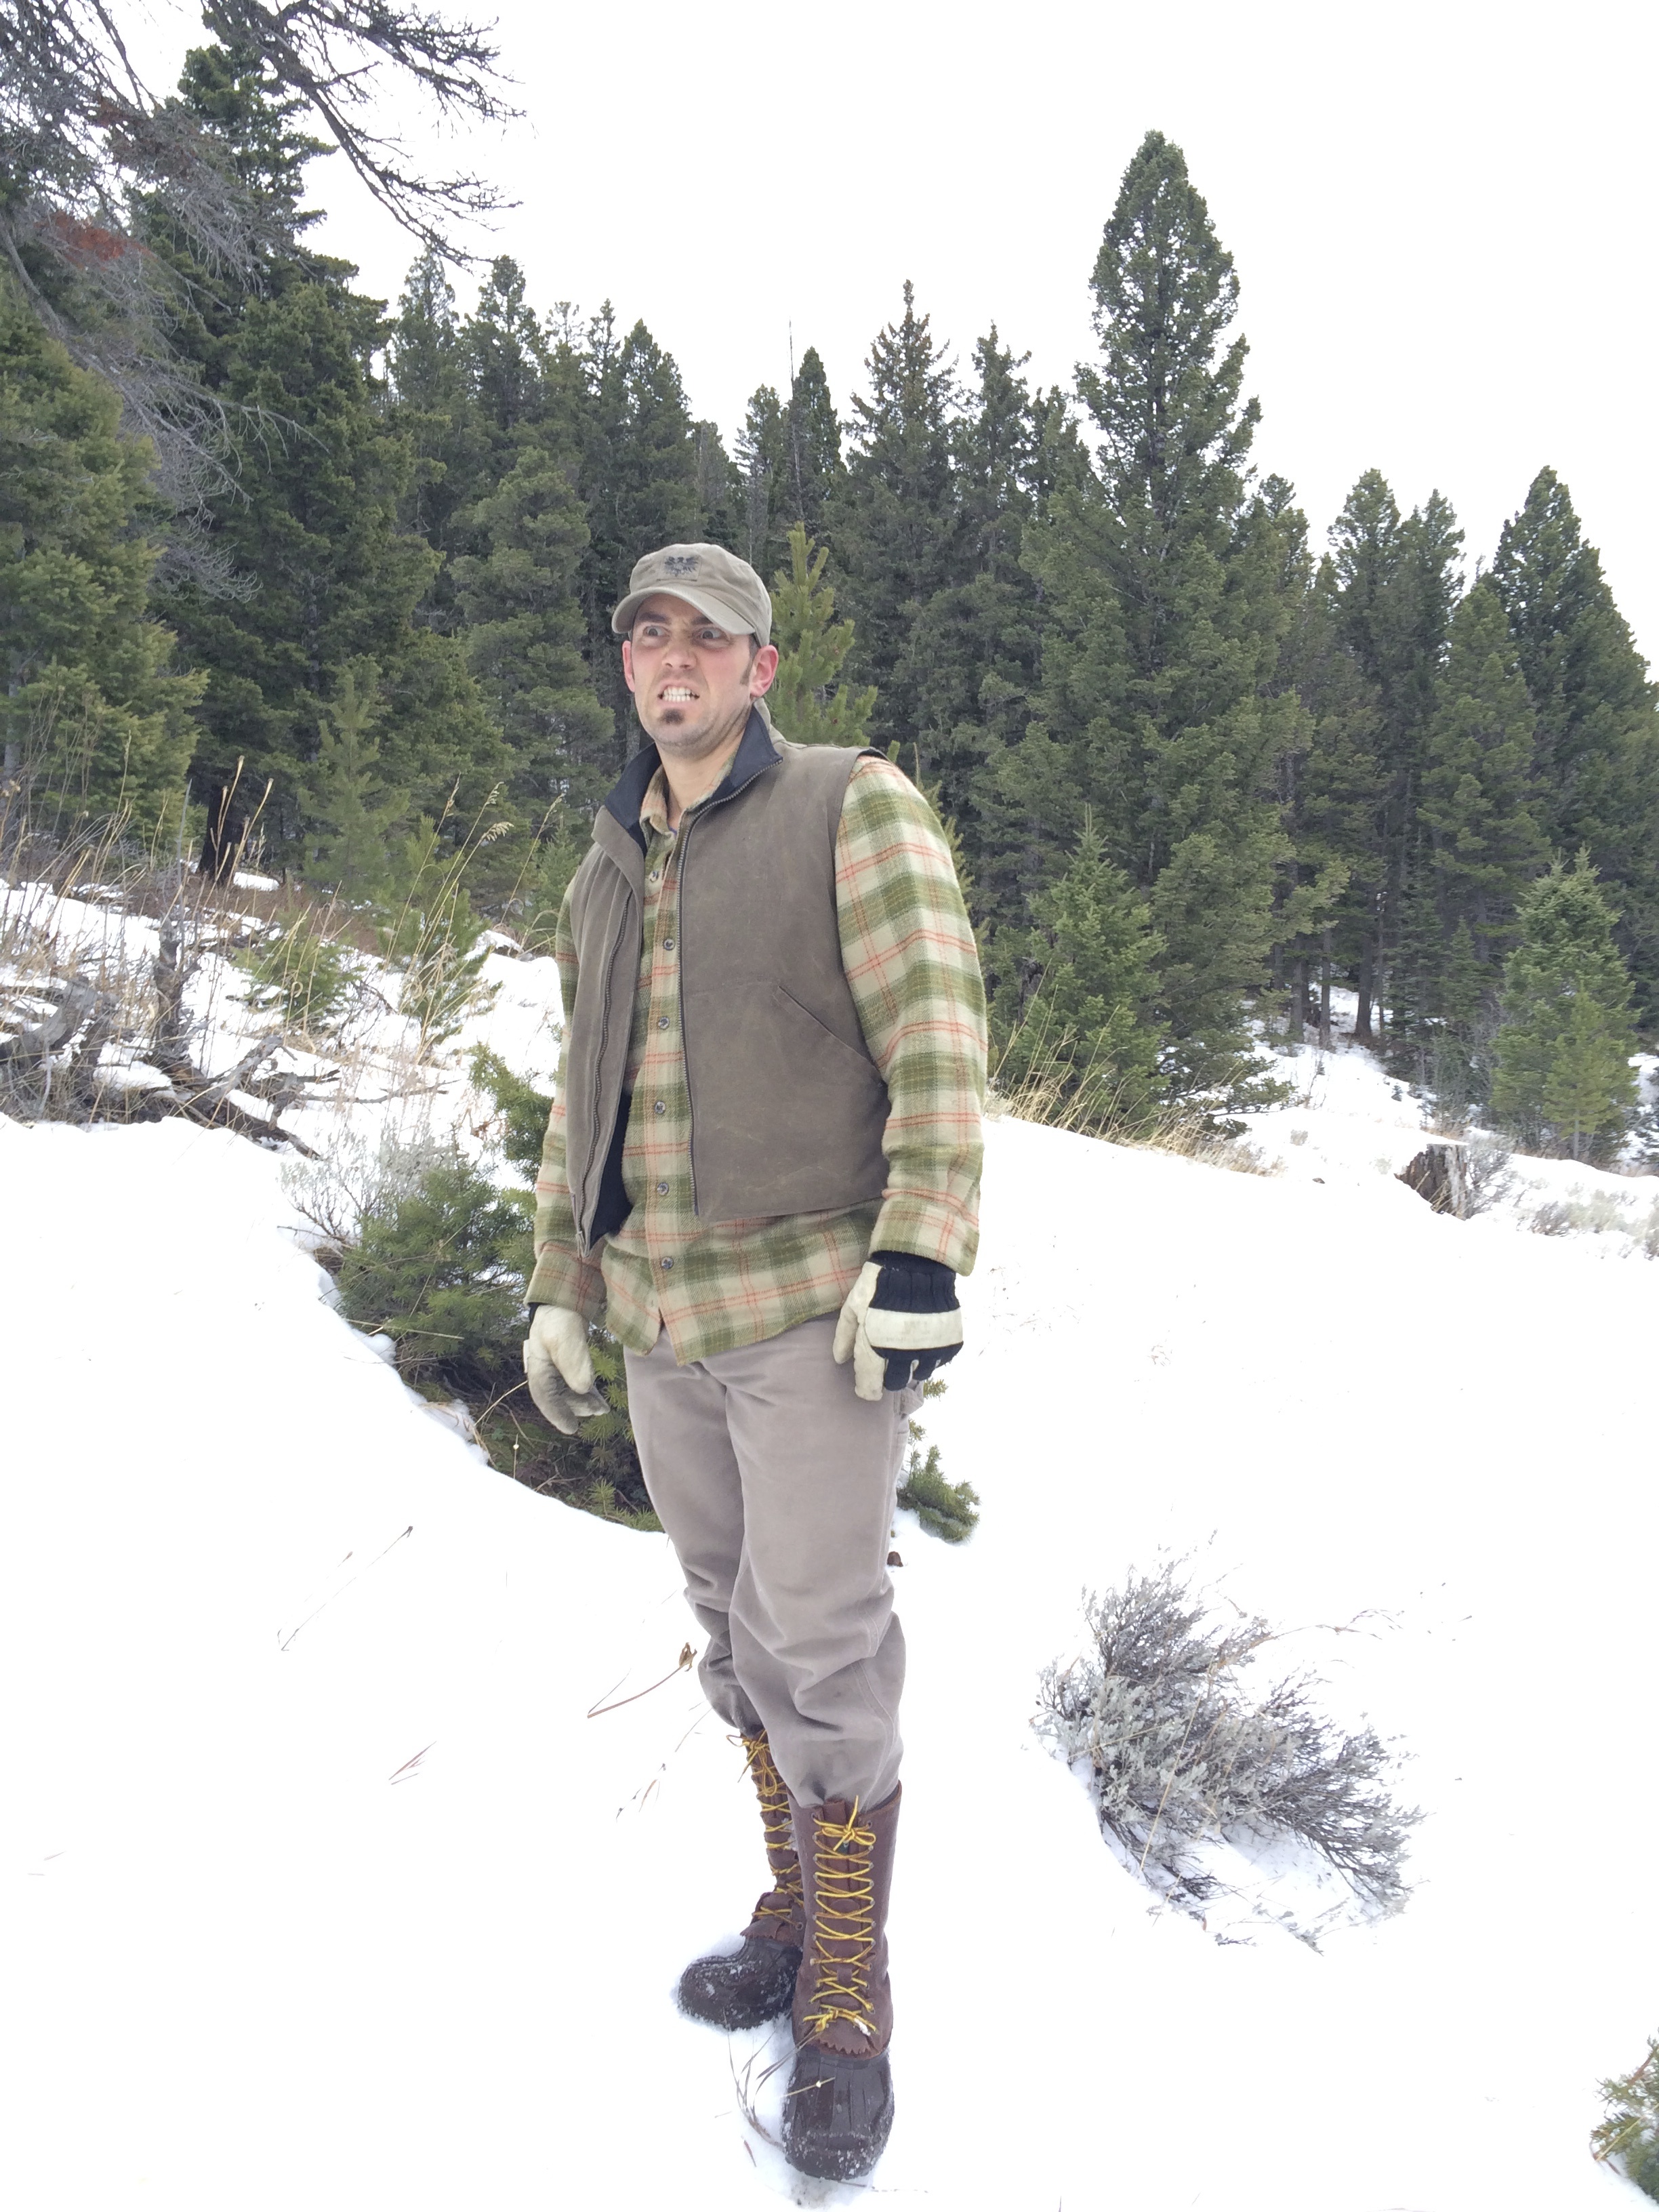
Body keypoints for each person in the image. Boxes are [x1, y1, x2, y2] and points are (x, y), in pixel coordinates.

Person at [522, 541, 985, 2182]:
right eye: (648, 637)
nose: (674, 664)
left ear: (760, 668)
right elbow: (583, 1095)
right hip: (660, 1323)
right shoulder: (609, 864)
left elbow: (938, 1031)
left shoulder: (850, 807)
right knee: (729, 1626)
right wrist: (561, 1282)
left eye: (706, 641)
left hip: (804, 1309)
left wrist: (923, 1243)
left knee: (824, 1635)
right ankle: (794, 1903)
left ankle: (849, 1990)